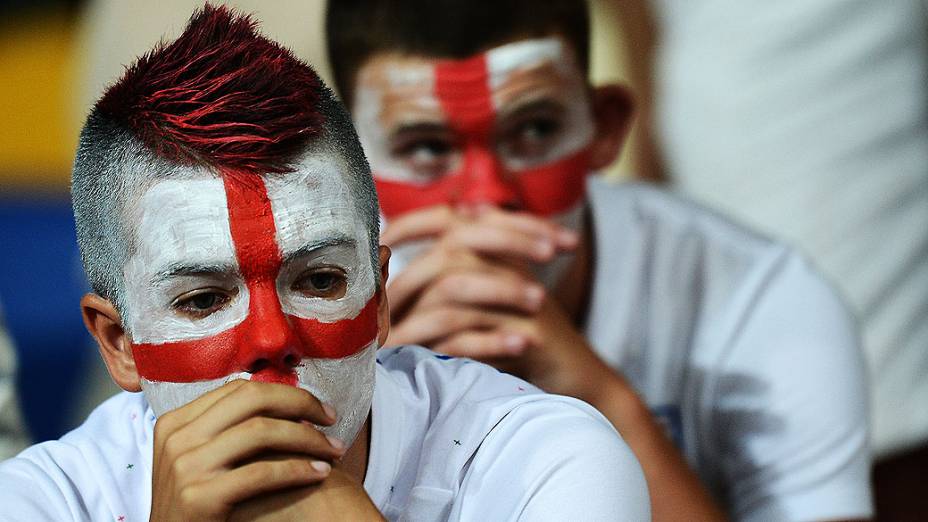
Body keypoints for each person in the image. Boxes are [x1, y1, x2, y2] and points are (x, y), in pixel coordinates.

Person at [0, 5, 650, 520]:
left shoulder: (541, 463)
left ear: (381, 303)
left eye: (319, 280)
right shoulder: (41, 503)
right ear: (121, 345)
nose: (272, 340)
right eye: (201, 298)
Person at [325, 0, 873, 520]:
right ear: (343, 158)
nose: (487, 196)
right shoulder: (307, 307)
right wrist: (363, 389)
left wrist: (604, 399)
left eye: (535, 129)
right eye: (425, 147)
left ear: (605, 127)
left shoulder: (764, 301)